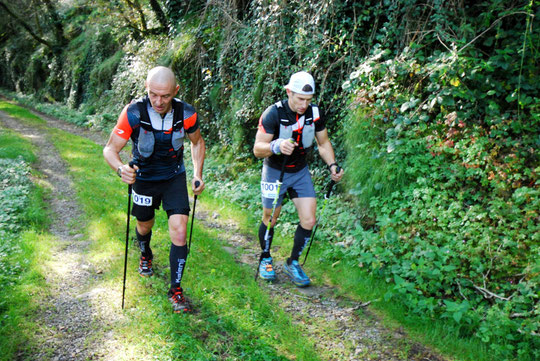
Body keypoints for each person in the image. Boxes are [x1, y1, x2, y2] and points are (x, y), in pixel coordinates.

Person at [103, 66, 205, 313]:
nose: (159, 102)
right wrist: (120, 169)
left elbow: (197, 142)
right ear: (146, 89)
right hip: (144, 178)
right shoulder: (133, 113)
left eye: (166, 96)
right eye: (154, 95)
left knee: (180, 231)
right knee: (144, 225)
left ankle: (176, 290)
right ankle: (145, 252)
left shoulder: (187, 114)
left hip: (173, 177)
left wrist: (198, 174)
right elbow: (110, 149)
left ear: (176, 91)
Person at [253, 71, 344, 287]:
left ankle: (292, 262)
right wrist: (276, 145)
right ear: (289, 92)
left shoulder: (314, 113)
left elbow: (323, 143)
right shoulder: (273, 113)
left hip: (300, 172)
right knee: (270, 218)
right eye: (300, 99)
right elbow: (258, 149)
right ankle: (265, 257)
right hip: (275, 172)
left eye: (308, 100)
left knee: (309, 220)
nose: (304, 104)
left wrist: (332, 165)